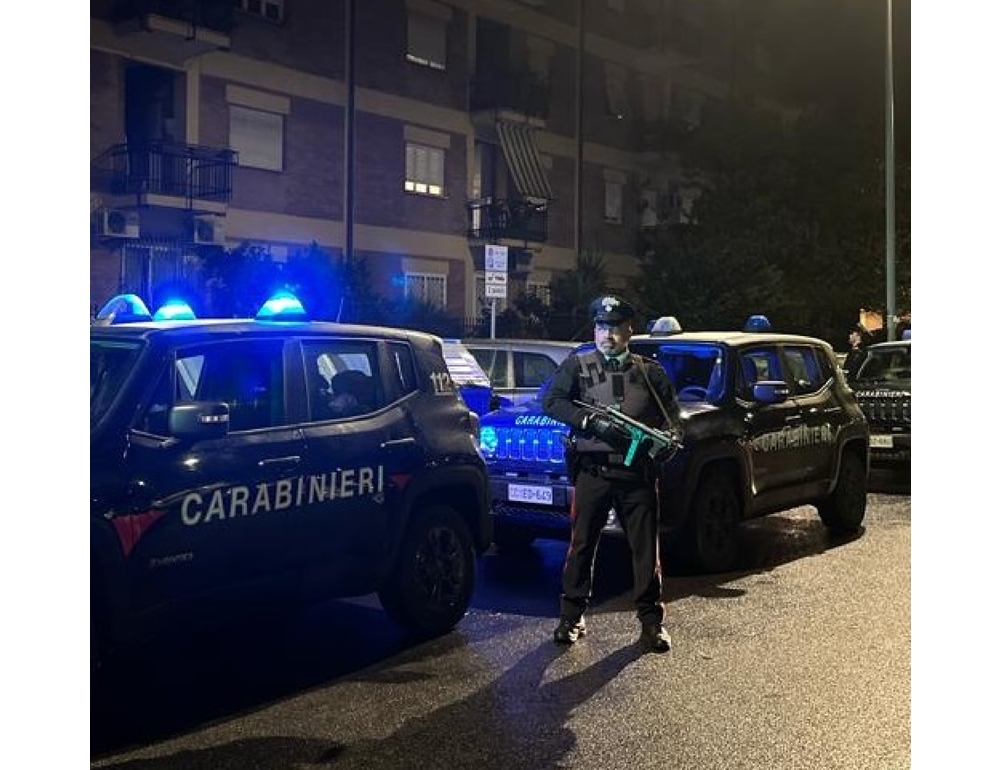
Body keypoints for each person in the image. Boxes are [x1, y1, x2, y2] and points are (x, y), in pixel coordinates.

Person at [541, 294, 683, 653]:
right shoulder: (578, 365)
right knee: (581, 546)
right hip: (594, 471)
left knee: (645, 551)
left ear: (629, 330)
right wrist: (588, 421)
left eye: (615, 327)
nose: (608, 334)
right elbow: (552, 402)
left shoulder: (649, 372)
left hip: (637, 475)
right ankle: (571, 617)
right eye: (602, 327)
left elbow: (673, 417)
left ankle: (651, 623)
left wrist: (669, 440)